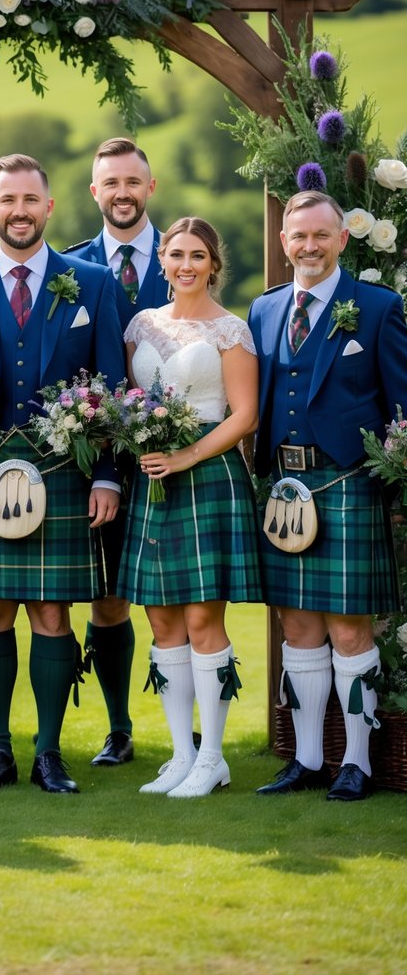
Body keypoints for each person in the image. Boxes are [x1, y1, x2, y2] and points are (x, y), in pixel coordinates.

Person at [0, 154, 125, 794]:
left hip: (62, 467)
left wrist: (107, 476)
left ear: (50, 207)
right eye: (6, 201)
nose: (18, 212)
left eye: (30, 200)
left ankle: (50, 752)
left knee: (52, 616)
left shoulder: (91, 282)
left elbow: (114, 385)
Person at [250, 190, 407, 802]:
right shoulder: (264, 311)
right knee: (298, 628)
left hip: (346, 485)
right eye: (298, 236)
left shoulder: (377, 307)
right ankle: (308, 758)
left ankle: (358, 763)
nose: (308, 246)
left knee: (349, 630)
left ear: (343, 240)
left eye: (321, 235)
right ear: (284, 242)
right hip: (283, 487)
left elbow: (402, 406)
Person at [117, 217, 261, 796]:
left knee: (203, 618)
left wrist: (184, 457)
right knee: (161, 619)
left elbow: (244, 415)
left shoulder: (232, 331)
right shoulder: (140, 325)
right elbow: (127, 400)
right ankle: (180, 755)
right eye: (175, 254)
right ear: (162, 262)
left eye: (197, 255)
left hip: (209, 479)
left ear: (213, 264)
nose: (185, 264)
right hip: (151, 478)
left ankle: (212, 757)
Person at [68, 138, 167, 768]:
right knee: (107, 594)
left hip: (171, 456)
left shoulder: (186, 258)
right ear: (94, 192)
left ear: (149, 187)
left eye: (133, 182)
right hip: (92, 459)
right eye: (112, 183)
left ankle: (194, 737)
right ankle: (119, 726)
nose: (123, 193)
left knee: (177, 598)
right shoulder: (69, 268)